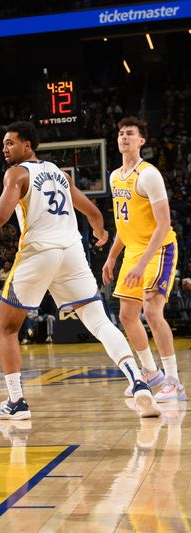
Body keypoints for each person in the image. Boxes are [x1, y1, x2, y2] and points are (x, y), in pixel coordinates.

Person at [0, 120, 160, 420]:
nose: (4, 148)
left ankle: (16, 403)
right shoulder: (58, 172)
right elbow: (94, 212)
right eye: (3, 143)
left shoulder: (16, 173)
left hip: (39, 252)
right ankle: (137, 380)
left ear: (27, 145)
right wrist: (100, 233)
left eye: (10, 143)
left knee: (6, 327)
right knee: (99, 322)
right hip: (71, 252)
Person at [102, 116, 185, 402]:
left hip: (159, 248)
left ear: (141, 140)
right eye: (121, 133)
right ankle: (150, 372)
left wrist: (140, 262)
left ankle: (173, 379)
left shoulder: (149, 174)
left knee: (151, 310)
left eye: (130, 134)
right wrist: (112, 257)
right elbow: (124, 225)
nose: (124, 137)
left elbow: (163, 224)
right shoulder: (114, 177)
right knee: (126, 315)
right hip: (133, 250)